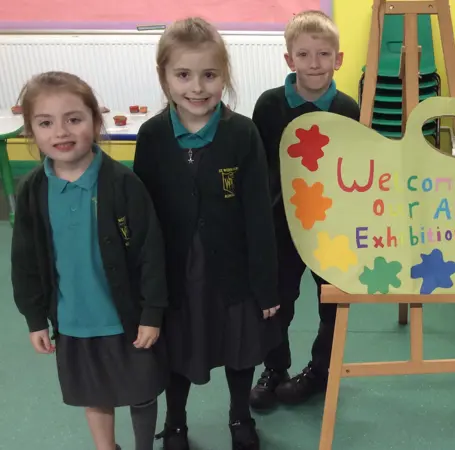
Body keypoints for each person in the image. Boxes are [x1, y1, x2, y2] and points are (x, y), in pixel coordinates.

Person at [132, 17, 282, 450]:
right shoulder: (152, 136)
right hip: (177, 274)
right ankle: (175, 423)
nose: (196, 87)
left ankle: (239, 417)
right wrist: (145, 291)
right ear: (164, 77)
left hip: (231, 273)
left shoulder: (242, 133)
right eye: (183, 75)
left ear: (225, 77)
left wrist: (266, 285)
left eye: (209, 75)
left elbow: (258, 213)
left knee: (239, 348)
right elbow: (144, 219)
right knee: (178, 350)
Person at [11, 71, 169, 450]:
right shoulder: (32, 190)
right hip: (72, 322)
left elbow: (151, 251)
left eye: (74, 119)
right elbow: (26, 261)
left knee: (141, 389)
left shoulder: (122, 183)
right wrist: (35, 318)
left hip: (124, 318)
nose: (61, 132)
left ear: (96, 122)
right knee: (94, 393)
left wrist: (151, 313)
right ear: (31, 131)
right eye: (46, 122)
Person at [248, 10, 360, 410]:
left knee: (333, 301)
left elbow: (357, 168)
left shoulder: (348, 109)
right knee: (277, 301)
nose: (315, 63)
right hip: (283, 225)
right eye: (305, 54)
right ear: (288, 59)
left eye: (324, 54)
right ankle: (275, 367)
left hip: (332, 227)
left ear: (338, 59)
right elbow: (259, 166)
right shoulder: (269, 105)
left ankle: (320, 371)